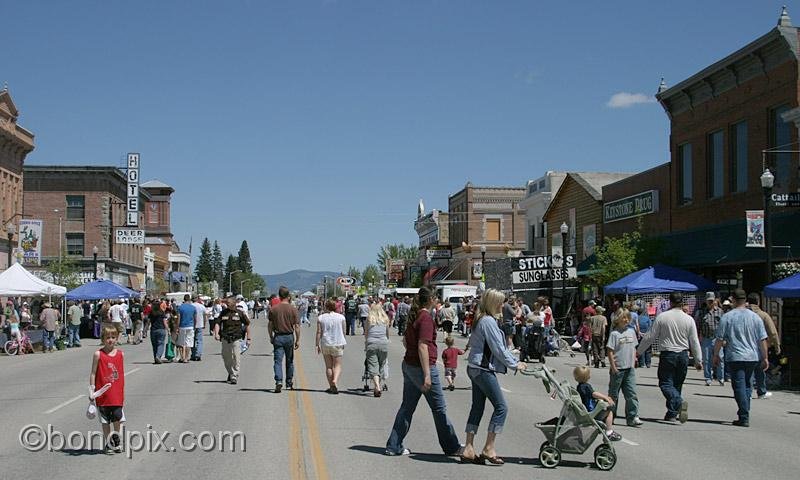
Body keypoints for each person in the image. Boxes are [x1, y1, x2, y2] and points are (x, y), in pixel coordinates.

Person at [386, 286, 462, 457]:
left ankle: (394, 445)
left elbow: (406, 341)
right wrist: (427, 374)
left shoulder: (415, 316)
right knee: (439, 409)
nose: (438, 301)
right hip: (422, 368)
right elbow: (423, 346)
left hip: (409, 365)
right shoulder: (426, 318)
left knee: (407, 407)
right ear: (431, 300)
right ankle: (451, 446)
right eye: (436, 298)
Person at [461, 289, 526, 465]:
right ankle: (489, 448)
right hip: (482, 369)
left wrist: (513, 360)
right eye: (501, 302)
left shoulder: (480, 318)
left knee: (477, 407)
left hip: (474, 367)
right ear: (493, 303)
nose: (503, 306)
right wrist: (515, 364)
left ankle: (468, 447)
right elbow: (498, 348)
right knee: (501, 408)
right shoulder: (488, 321)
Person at [637, 292, 702, 424]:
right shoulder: (688, 319)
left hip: (668, 354)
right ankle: (672, 412)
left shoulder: (663, 317)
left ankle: (678, 402)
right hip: (683, 354)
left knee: (665, 383)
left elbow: (650, 336)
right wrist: (698, 359)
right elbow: (694, 341)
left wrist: (638, 352)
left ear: (670, 302)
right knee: (677, 384)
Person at [714, 289, 768, 427]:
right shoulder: (755, 317)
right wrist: (765, 357)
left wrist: (716, 354)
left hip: (735, 356)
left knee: (738, 386)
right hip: (752, 356)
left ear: (733, 300)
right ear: (745, 300)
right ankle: (745, 412)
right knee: (748, 385)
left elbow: (719, 339)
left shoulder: (727, 317)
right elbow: (762, 339)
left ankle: (744, 415)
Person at [90, 326, 126, 454]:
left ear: (116, 339)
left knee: (117, 418)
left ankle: (117, 440)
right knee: (105, 421)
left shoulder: (121, 354)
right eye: (108, 338)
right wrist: (92, 390)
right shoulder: (98, 354)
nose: (110, 340)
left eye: (113, 337)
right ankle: (109, 443)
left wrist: (121, 392)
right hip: (102, 395)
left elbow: (121, 375)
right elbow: (93, 373)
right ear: (103, 339)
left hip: (116, 394)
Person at [607, 308, 642, 427]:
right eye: (623, 318)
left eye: (627, 317)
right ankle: (610, 415)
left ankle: (632, 416)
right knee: (614, 395)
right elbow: (610, 351)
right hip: (618, 368)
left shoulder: (631, 332)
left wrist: (634, 361)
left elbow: (633, 348)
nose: (626, 320)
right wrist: (613, 367)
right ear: (617, 320)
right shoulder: (614, 334)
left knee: (631, 394)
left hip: (629, 368)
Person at [574, 366, 622, 441]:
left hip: (586, 411)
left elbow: (589, 396)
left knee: (604, 408)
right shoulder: (586, 386)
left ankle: (606, 432)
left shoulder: (579, 387)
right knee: (609, 411)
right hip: (591, 413)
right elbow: (593, 394)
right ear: (588, 376)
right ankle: (609, 432)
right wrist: (605, 397)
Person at [747, 293, 780, 399]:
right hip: (761, 346)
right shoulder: (763, 315)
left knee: (748, 370)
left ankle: (748, 391)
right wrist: (777, 346)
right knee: (760, 369)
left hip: (745, 346)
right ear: (758, 301)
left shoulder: (743, 314)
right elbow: (773, 332)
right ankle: (761, 391)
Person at [268, 286, 300, 392]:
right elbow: (297, 326)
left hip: (278, 336)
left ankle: (278, 381)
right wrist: (298, 339)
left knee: (278, 361)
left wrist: (271, 336)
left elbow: (270, 324)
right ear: (288, 295)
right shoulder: (293, 309)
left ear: (279, 295)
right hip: (289, 336)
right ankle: (289, 382)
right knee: (289, 361)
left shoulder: (274, 309)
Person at [213, 297, 252, 384]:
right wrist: (216, 333)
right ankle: (230, 373)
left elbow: (247, 324)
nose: (227, 304)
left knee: (236, 357)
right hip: (225, 337)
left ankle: (234, 375)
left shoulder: (240, 313)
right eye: (226, 303)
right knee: (226, 357)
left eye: (228, 303)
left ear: (234, 303)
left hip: (236, 338)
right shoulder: (223, 312)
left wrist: (248, 338)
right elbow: (217, 323)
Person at [315, 298, 347, 394]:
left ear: (326, 306)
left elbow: (319, 332)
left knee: (329, 366)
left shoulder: (321, 318)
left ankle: (331, 386)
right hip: (338, 342)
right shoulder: (341, 317)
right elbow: (344, 331)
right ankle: (335, 381)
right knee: (337, 365)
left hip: (326, 343)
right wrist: (343, 340)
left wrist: (317, 344)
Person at [695, 292, 724, 386]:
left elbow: (724, 326)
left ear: (715, 300)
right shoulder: (702, 312)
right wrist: (698, 338)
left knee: (720, 358)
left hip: (717, 338)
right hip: (706, 338)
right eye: (709, 301)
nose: (711, 303)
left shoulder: (720, 311)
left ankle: (721, 378)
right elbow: (698, 326)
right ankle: (708, 378)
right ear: (706, 301)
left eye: (712, 300)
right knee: (706, 359)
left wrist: (724, 339)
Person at [365, 302, 391, 396]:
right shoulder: (385, 319)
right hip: (383, 343)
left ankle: (377, 386)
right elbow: (387, 333)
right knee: (382, 364)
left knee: (373, 365)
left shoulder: (369, 319)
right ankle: (379, 383)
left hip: (372, 343)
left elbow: (366, 333)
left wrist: (366, 343)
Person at [175, 295, 196, 363]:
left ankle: (182, 357)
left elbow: (179, 318)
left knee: (181, 343)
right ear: (189, 299)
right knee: (189, 343)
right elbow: (195, 318)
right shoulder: (193, 307)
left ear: (184, 299)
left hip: (182, 326)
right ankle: (186, 358)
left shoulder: (180, 307)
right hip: (190, 326)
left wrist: (177, 327)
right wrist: (194, 326)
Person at [191, 295, 206, 361]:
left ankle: (193, 354)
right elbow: (204, 316)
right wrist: (204, 324)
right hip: (200, 324)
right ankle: (198, 354)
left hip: (192, 325)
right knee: (199, 340)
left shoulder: (191, 306)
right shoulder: (201, 306)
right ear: (197, 299)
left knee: (192, 340)